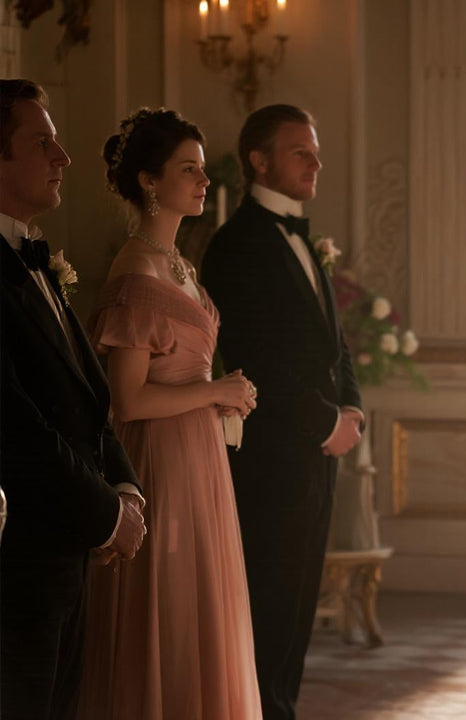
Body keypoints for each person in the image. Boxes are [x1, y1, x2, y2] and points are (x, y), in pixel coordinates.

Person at [77, 108, 261, 719]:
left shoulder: (180, 264)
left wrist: (224, 394)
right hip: (161, 461)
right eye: (189, 169)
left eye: (202, 169)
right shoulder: (136, 270)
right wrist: (213, 392)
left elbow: (186, 372)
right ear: (149, 181)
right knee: (170, 607)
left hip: (200, 456)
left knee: (200, 603)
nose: (204, 180)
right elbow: (127, 400)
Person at [201, 104, 364, 720]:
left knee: (297, 620)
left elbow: (335, 342)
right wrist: (326, 423)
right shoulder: (236, 245)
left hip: (318, 459)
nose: (316, 162)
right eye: (301, 152)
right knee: (267, 615)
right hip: (271, 463)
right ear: (259, 160)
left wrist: (352, 408)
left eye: (316, 152)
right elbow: (259, 359)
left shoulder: (303, 238)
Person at [0, 79, 146, 720]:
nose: (63, 157)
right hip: (16, 560)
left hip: (67, 554)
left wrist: (126, 488)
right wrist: (105, 514)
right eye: (42, 143)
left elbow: (89, 399)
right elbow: (13, 424)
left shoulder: (35, 259)